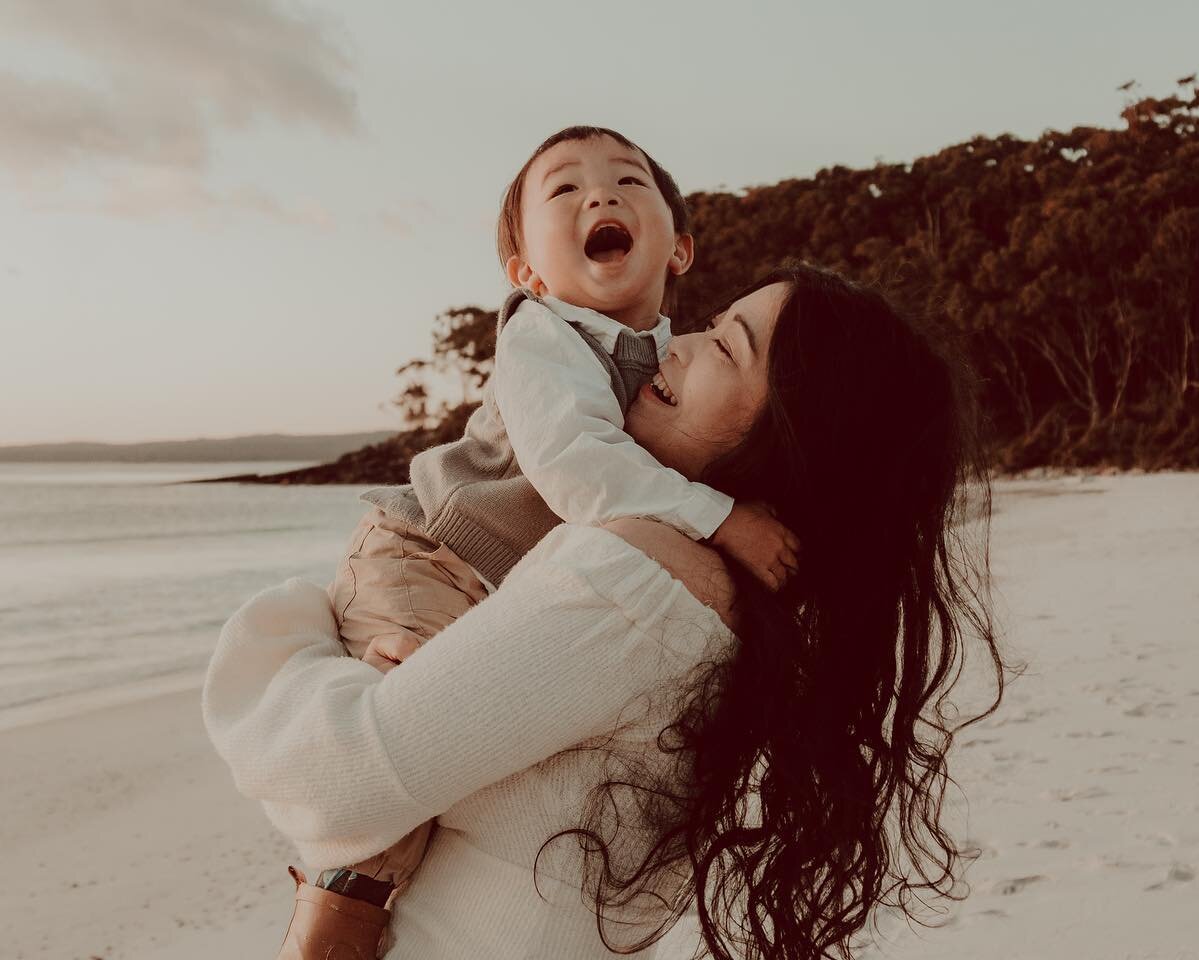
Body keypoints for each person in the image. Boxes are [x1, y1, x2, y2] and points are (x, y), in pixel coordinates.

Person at [204, 263, 1005, 960]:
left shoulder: (633, 581)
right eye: (711, 322)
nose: (676, 344)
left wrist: (302, 625)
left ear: (795, 438)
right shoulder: (733, 609)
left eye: (728, 347)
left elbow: (332, 779)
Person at [282, 126, 798, 956]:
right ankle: (335, 915)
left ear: (682, 249)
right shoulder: (543, 337)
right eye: (563, 191)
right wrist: (723, 519)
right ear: (526, 274)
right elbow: (581, 473)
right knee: (392, 768)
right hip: (426, 551)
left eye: (630, 181)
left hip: (500, 578)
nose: (601, 195)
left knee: (468, 744)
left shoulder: (675, 358)